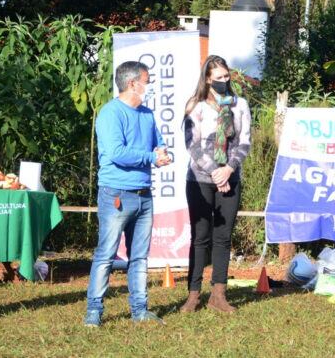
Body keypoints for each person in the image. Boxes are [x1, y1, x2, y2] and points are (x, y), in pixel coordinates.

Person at [84, 61, 171, 327]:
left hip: (145, 195)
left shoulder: (147, 114)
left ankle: (140, 310)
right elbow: (116, 153)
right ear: (133, 83)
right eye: (148, 80)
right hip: (116, 195)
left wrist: (163, 152)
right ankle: (94, 312)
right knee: (106, 254)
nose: (150, 85)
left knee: (140, 256)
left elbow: (159, 143)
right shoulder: (110, 113)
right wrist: (151, 157)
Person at [179, 55, 251, 313]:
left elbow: (244, 141)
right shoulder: (195, 107)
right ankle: (193, 294)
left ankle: (218, 294)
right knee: (200, 237)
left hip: (230, 179)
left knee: (223, 238)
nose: (223, 81)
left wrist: (228, 169)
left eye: (226, 76)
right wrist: (215, 172)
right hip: (199, 180)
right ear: (207, 78)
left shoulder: (240, 105)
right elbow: (192, 144)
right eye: (218, 77)